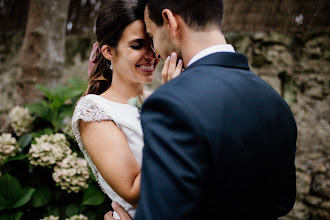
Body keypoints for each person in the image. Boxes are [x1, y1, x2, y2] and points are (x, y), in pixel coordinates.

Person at [105, 0, 297, 219]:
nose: (155, 49)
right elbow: (283, 201)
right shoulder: (275, 101)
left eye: (152, 35)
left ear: (170, 21)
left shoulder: (169, 104)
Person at [72, 0, 182, 219]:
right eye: (137, 45)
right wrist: (174, 110)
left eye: (153, 42)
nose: (151, 54)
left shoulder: (161, 100)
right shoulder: (95, 111)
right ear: (108, 51)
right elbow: (135, 191)